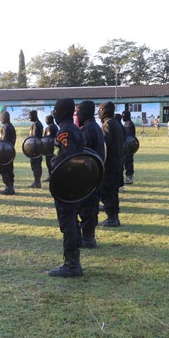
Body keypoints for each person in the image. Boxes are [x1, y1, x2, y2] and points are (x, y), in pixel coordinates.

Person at [47, 98, 85, 277]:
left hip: (66, 184)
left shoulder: (65, 132)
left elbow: (68, 160)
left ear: (62, 112)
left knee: (67, 222)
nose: (54, 113)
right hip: (72, 183)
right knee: (71, 221)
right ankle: (73, 261)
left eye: (55, 110)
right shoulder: (74, 129)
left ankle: (71, 265)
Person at [76, 101, 105, 249]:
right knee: (91, 206)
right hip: (96, 172)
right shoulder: (95, 127)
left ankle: (88, 238)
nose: (77, 115)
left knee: (87, 207)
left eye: (79, 111)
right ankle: (88, 236)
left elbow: (84, 154)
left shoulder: (88, 129)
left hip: (89, 174)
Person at [98, 101, 124, 227]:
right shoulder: (116, 123)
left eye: (100, 109)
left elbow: (103, 145)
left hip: (110, 165)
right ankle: (114, 216)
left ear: (106, 111)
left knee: (107, 191)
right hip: (117, 163)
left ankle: (112, 218)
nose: (99, 112)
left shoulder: (107, 124)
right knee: (113, 192)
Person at [0, 111, 16, 195]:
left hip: (5, 153)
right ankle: (11, 187)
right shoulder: (11, 126)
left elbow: (4, 141)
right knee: (9, 170)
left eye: (1, 117)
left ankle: (9, 187)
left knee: (4, 170)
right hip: (10, 152)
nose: (0, 119)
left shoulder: (6, 128)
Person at [28, 110, 44, 188]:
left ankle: (37, 182)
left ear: (34, 115)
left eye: (30, 116)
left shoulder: (37, 124)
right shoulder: (36, 123)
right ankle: (37, 182)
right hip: (35, 147)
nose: (29, 117)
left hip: (35, 148)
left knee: (36, 165)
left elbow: (35, 138)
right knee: (36, 165)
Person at [121, 110, 136, 184]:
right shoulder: (127, 123)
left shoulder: (129, 124)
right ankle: (128, 177)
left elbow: (127, 136)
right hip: (128, 146)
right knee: (127, 162)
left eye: (124, 116)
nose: (122, 117)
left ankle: (129, 178)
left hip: (129, 146)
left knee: (128, 162)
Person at [43, 114, 58, 182]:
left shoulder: (50, 127)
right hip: (54, 147)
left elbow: (48, 138)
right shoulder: (55, 126)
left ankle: (51, 176)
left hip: (50, 148)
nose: (45, 121)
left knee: (49, 162)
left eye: (46, 120)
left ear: (49, 120)